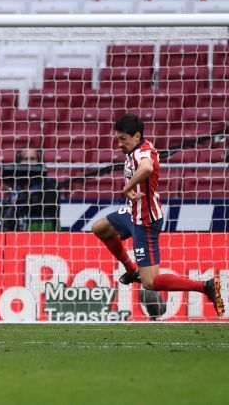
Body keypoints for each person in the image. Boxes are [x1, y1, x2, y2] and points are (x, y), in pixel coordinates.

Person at [91, 114, 224, 316]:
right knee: (100, 228)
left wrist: (127, 187)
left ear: (136, 136)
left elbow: (146, 167)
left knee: (150, 282)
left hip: (145, 221)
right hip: (132, 212)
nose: (119, 144)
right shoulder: (141, 147)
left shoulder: (141, 154)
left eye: (122, 139)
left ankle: (205, 286)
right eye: (117, 138)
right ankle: (130, 269)